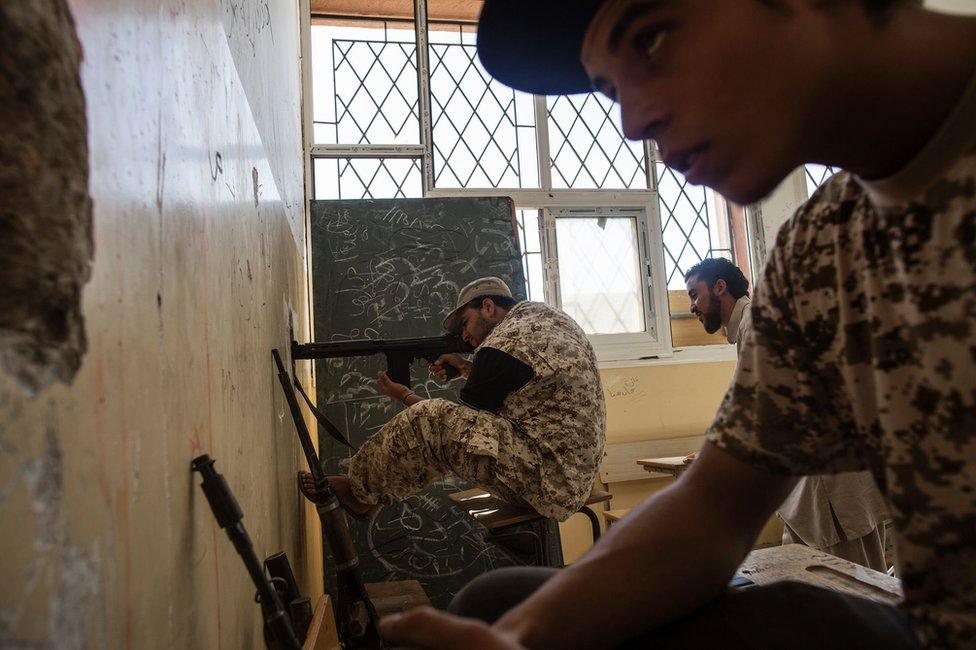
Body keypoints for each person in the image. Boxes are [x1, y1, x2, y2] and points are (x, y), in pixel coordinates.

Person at [377, 1, 976, 648]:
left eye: (653, 40)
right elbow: (715, 508)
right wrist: (523, 639)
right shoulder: (820, 249)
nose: (634, 123)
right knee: (499, 606)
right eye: (610, 89)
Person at [300, 276, 606, 523]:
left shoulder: (504, 341)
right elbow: (528, 387)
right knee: (447, 432)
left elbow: (461, 426)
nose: (465, 337)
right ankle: (375, 493)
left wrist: (403, 394)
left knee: (431, 419)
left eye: (465, 323)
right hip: (562, 476)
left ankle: (358, 493)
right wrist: (466, 368)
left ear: (488, 307)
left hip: (547, 480)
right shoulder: (541, 322)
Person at [684, 256, 889, 571]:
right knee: (804, 580)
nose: (692, 306)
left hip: (830, 482)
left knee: (857, 587)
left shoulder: (760, 324)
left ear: (720, 287)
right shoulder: (755, 324)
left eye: (695, 294)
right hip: (815, 478)